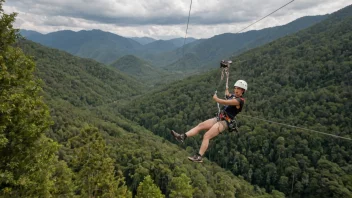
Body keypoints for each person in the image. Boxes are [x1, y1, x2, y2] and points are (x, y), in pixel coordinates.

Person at [171, 80, 247, 163]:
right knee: (201, 125)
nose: (236, 90)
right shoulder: (233, 96)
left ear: (242, 91)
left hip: (225, 122)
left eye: (239, 89)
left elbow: (225, 102)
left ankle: (199, 156)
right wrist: (226, 86)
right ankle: (182, 136)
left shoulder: (240, 101)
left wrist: (216, 98)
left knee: (207, 135)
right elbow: (227, 94)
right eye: (236, 88)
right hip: (220, 117)